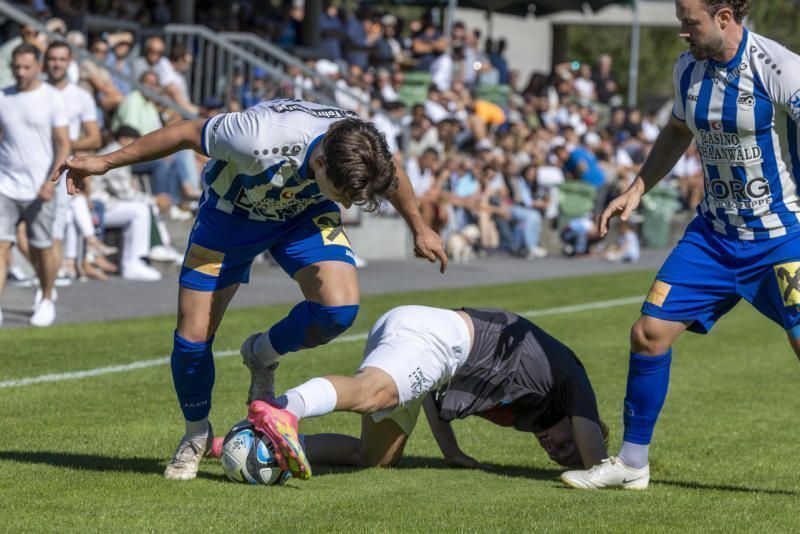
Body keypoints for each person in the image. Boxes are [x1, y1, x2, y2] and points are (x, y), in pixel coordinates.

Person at [52, 98, 446, 480]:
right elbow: (186, 132)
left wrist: (420, 227)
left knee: (338, 310)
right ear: (321, 162)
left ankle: (261, 354)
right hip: (230, 218)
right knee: (192, 338)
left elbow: (391, 172)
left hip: (303, 215)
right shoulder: (256, 135)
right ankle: (196, 434)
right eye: (342, 195)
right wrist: (106, 161)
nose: (347, 204)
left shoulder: (360, 144)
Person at [561, 0, 800, 490]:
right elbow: (676, 130)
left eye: (690, 22)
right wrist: (637, 188)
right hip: (712, 238)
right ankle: (632, 463)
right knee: (649, 332)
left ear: (725, 17)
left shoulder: (779, 68)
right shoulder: (687, 69)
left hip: (782, 240)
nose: (682, 32)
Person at [243, 305, 609, 480]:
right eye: (566, 445)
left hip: (431, 346)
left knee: (374, 458)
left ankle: (258, 444)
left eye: (554, 456)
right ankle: (287, 409)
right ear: (577, 422)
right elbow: (597, 466)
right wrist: (589, 461)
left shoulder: (531, 411)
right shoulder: (571, 381)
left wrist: (452, 452)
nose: (554, 450)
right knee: (372, 394)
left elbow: (435, 390)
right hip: (436, 338)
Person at [0, 44, 70, 327]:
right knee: (1, 246)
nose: (20, 72)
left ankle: (46, 297)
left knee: (42, 248)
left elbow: (63, 143)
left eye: (26, 67)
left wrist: (51, 181)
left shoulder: (52, 97)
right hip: (5, 185)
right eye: (16, 67)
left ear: (38, 67)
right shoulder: (3, 97)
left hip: (41, 188)